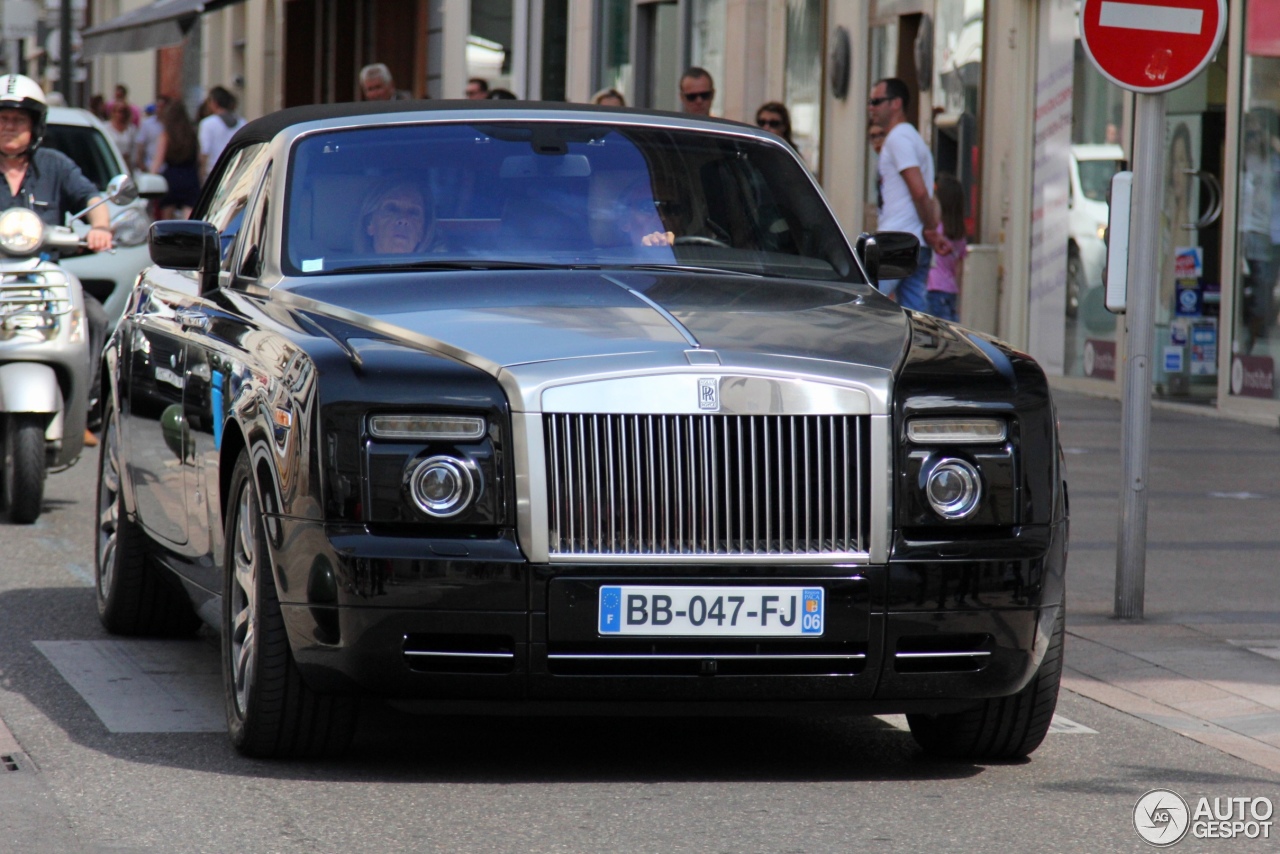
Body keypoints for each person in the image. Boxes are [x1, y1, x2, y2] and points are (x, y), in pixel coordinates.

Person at [0, 75, 113, 445]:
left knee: (94, 316)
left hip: (42, 280)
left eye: (18, 120)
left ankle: (84, 407)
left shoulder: (55, 165)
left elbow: (92, 200)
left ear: (35, 126)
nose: (8, 127)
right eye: (2, 119)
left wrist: (100, 228)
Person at [868, 77, 949, 311]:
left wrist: (931, 228)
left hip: (897, 242)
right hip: (916, 244)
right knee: (914, 318)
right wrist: (930, 230)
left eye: (876, 101)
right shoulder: (912, 137)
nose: (871, 107)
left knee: (865, 308)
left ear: (896, 103)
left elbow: (920, 192)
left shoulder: (898, 138)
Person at [926, 174, 968, 322]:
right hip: (951, 290)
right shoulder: (959, 234)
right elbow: (959, 269)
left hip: (933, 287)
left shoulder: (935, 230)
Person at [150, 100, 201, 220]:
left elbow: (158, 160)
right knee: (190, 218)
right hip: (190, 176)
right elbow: (199, 158)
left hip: (171, 178)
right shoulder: (192, 133)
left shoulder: (166, 134)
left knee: (167, 219)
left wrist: (150, 179)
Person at [357, 181, 434, 254]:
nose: (403, 219)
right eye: (392, 209)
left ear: (422, 232)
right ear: (370, 223)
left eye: (413, 212)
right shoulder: (350, 267)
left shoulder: (438, 266)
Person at [198, 86, 247, 183]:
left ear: (214, 103)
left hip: (214, 174)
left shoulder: (208, 123)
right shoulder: (243, 123)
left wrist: (201, 176)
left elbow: (204, 152)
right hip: (237, 173)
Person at [133, 95, 170, 175]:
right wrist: (140, 163)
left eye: (162, 107)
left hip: (168, 168)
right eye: (158, 107)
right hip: (150, 165)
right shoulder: (147, 124)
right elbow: (140, 144)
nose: (160, 110)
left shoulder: (172, 125)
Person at [104, 101, 136, 170]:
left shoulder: (131, 129)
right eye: (118, 111)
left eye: (123, 112)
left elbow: (133, 149)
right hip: (110, 163)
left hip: (125, 164)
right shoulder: (106, 127)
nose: (121, 114)